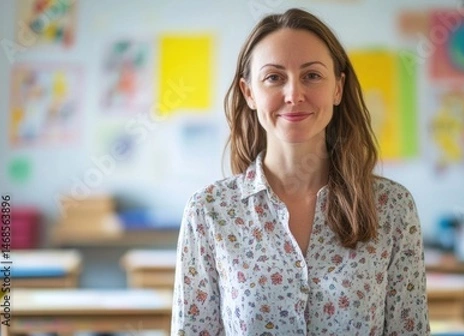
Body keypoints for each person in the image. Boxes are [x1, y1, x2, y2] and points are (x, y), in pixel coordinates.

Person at [172, 8, 430, 335]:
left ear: (338, 88)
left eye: (311, 75)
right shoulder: (209, 212)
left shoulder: (392, 207)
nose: (294, 94)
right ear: (249, 92)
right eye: (274, 77)